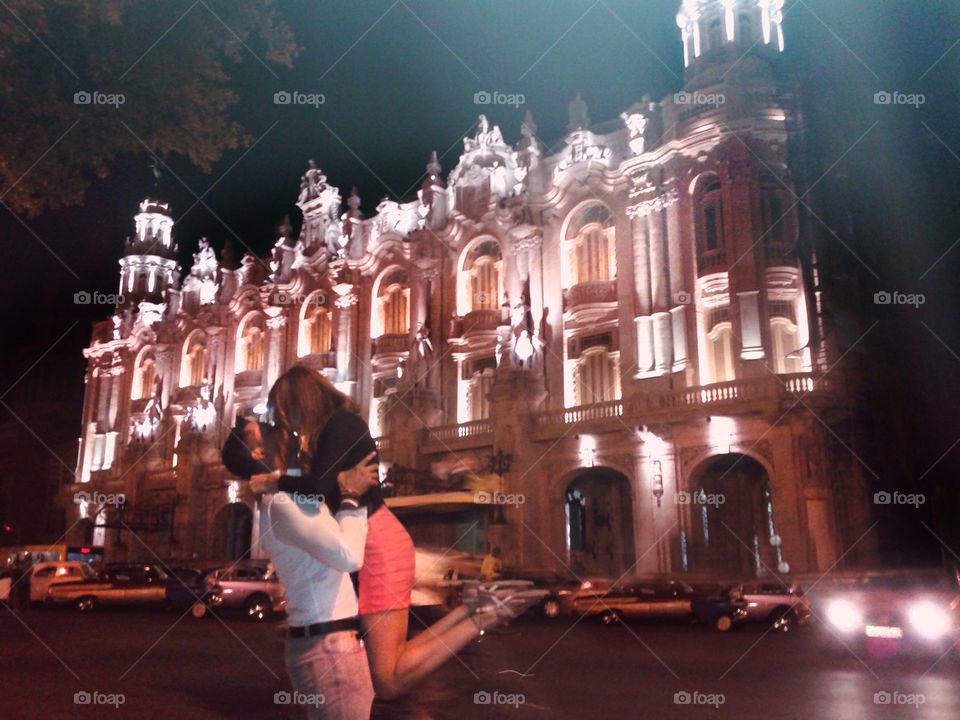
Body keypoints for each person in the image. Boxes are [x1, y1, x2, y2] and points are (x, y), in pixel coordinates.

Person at [248, 366, 543, 701]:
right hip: (371, 541)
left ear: (302, 400)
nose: (287, 422)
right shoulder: (327, 434)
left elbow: (317, 487)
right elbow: (324, 488)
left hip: (377, 545)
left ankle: (484, 616)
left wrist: (273, 481)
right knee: (387, 666)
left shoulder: (341, 424)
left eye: (286, 412)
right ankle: (472, 609)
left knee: (387, 679)